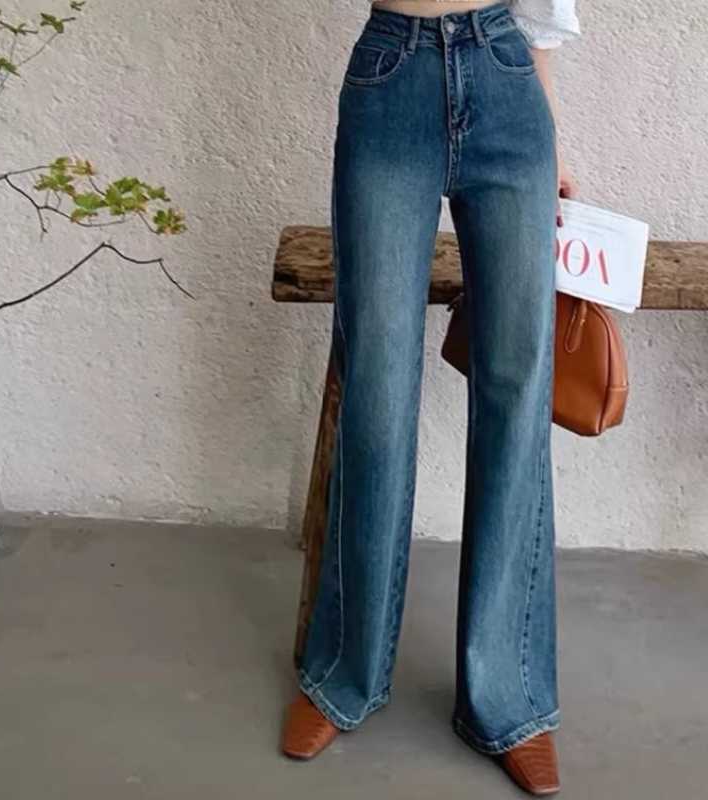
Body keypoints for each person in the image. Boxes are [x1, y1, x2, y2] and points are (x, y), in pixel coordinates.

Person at [280, 0, 581, 795]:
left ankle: (510, 697)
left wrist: (551, 128)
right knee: (376, 390)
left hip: (508, 75)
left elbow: (544, 12)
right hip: (391, 74)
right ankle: (345, 673)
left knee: (516, 388)